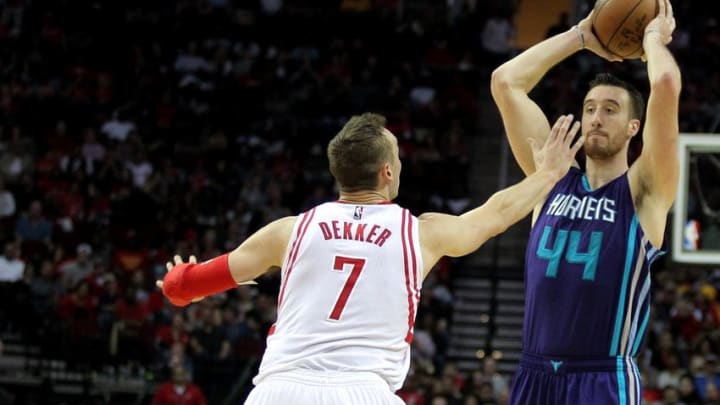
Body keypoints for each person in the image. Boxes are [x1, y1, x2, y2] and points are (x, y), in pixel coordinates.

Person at [157, 112, 584, 404]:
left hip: (279, 390)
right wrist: (549, 173)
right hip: (365, 390)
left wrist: (178, 282)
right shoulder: (420, 232)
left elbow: (192, 285)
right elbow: (495, 215)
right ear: (387, 172)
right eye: (396, 156)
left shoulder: (289, 231)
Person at [490, 0, 681, 403]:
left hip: (602, 378)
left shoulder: (643, 190)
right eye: (590, 108)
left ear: (634, 128)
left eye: (610, 110)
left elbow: (664, 86)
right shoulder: (549, 178)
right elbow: (505, 82)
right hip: (533, 373)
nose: (595, 118)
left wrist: (651, 41)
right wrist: (580, 36)